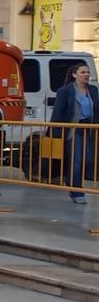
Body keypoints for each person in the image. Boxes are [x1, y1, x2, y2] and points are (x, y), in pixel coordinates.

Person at [52, 63, 98, 204]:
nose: (86, 75)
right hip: (73, 129)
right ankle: (77, 192)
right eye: (83, 72)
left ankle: (70, 180)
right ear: (74, 74)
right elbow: (58, 112)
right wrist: (54, 132)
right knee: (76, 161)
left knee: (90, 160)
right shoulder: (65, 91)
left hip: (89, 129)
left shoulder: (93, 90)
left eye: (88, 72)